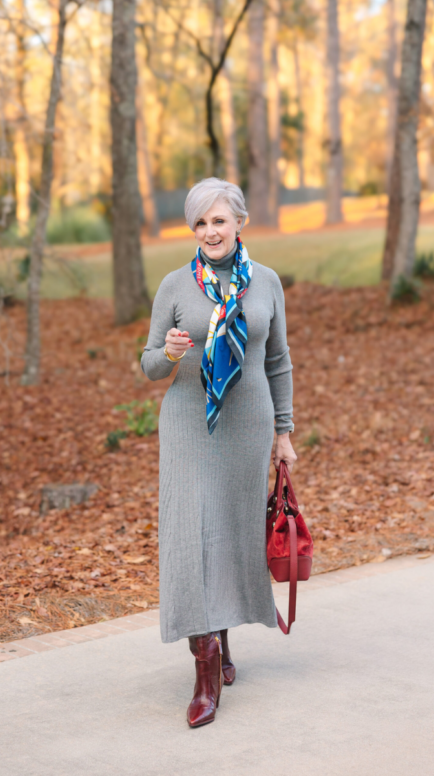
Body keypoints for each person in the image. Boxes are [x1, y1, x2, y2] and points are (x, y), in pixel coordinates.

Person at [141, 177, 297, 727]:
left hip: (248, 429)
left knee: (231, 533)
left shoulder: (267, 284)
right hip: (189, 430)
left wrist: (284, 432)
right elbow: (148, 363)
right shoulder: (175, 286)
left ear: (239, 223)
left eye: (219, 221)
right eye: (201, 222)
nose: (210, 231)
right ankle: (205, 667)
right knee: (191, 539)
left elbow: (277, 361)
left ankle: (225, 640)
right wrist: (168, 352)